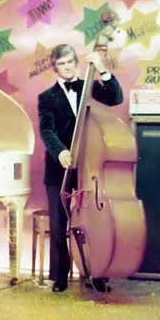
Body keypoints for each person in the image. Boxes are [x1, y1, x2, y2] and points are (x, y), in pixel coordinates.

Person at [37, 16, 125, 293]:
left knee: (94, 223)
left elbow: (116, 98)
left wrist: (103, 69)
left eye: (70, 62)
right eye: (61, 64)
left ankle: (96, 273)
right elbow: (47, 130)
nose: (67, 67)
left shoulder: (90, 88)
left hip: (90, 169)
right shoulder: (46, 98)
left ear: (76, 62)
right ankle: (60, 277)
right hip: (59, 169)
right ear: (55, 68)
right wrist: (60, 151)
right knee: (59, 223)